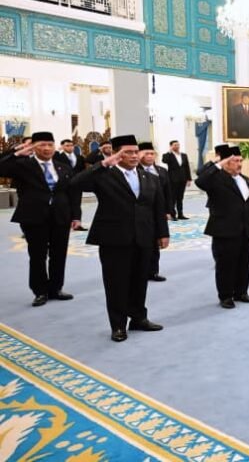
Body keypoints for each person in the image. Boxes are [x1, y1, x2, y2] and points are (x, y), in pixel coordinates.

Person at [70, 135, 169, 343]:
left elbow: (158, 207)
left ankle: (139, 318)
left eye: (136, 152)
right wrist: (104, 163)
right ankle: (118, 325)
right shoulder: (105, 175)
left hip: (143, 237)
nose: (134, 156)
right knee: (116, 283)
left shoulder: (150, 177)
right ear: (116, 153)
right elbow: (76, 183)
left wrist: (162, 233)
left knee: (140, 280)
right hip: (114, 238)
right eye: (128, 152)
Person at [0, 132, 81, 306]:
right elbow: (2, 168)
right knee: (37, 255)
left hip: (60, 215)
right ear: (33, 147)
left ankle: (55, 288)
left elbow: (73, 192)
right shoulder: (23, 165)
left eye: (50, 145)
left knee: (59, 254)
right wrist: (16, 153)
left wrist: (76, 215)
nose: (46, 148)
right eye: (41, 145)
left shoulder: (63, 167)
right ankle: (40, 291)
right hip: (34, 216)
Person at [194, 145, 249, 309]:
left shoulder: (246, 179)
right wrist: (218, 164)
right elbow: (200, 181)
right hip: (225, 229)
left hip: (246, 229)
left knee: (244, 261)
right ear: (226, 162)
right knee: (226, 264)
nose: (239, 164)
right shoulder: (216, 179)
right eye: (235, 161)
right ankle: (226, 295)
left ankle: (241, 292)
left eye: (240, 160)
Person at [138, 142, 173, 282]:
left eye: (152, 153)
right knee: (142, 243)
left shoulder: (162, 171)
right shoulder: (136, 170)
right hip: (142, 212)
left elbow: (168, 193)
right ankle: (141, 271)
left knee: (156, 242)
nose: (149, 156)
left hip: (158, 212)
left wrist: (169, 210)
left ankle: (153, 271)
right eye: (146, 153)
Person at [54, 138, 87, 230]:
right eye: (67, 145)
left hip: (77, 184)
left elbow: (83, 171)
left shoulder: (79, 157)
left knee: (76, 203)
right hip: (63, 185)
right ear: (62, 146)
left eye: (71, 145)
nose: (70, 147)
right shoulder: (57, 157)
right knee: (65, 204)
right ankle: (66, 222)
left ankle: (77, 223)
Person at [161, 140, 192, 221]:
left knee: (180, 197)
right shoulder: (168, 155)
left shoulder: (184, 155)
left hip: (183, 179)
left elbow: (187, 167)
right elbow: (164, 160)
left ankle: (180, 214)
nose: (177, 146)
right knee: (173, 197)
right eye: (175, 145)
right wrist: (169, 151)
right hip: (172, 179)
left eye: (178, 145)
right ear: (171, 146)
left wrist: (189, 179)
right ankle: (172, 214)